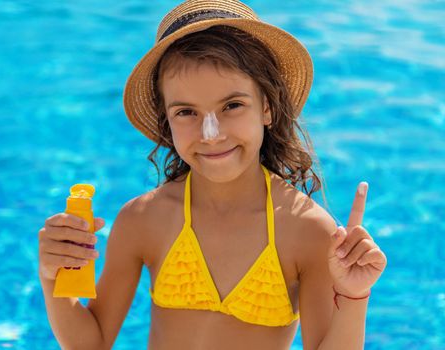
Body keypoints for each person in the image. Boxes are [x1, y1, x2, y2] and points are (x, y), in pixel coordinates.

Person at [38, 0, 387, 349]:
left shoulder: (306, 231)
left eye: (232, 106)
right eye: (187, 112)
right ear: (167, 121)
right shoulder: (144, 220)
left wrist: (354, 297)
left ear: (267, 106)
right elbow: (91, 343)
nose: (211, 133)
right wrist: (51, 276)